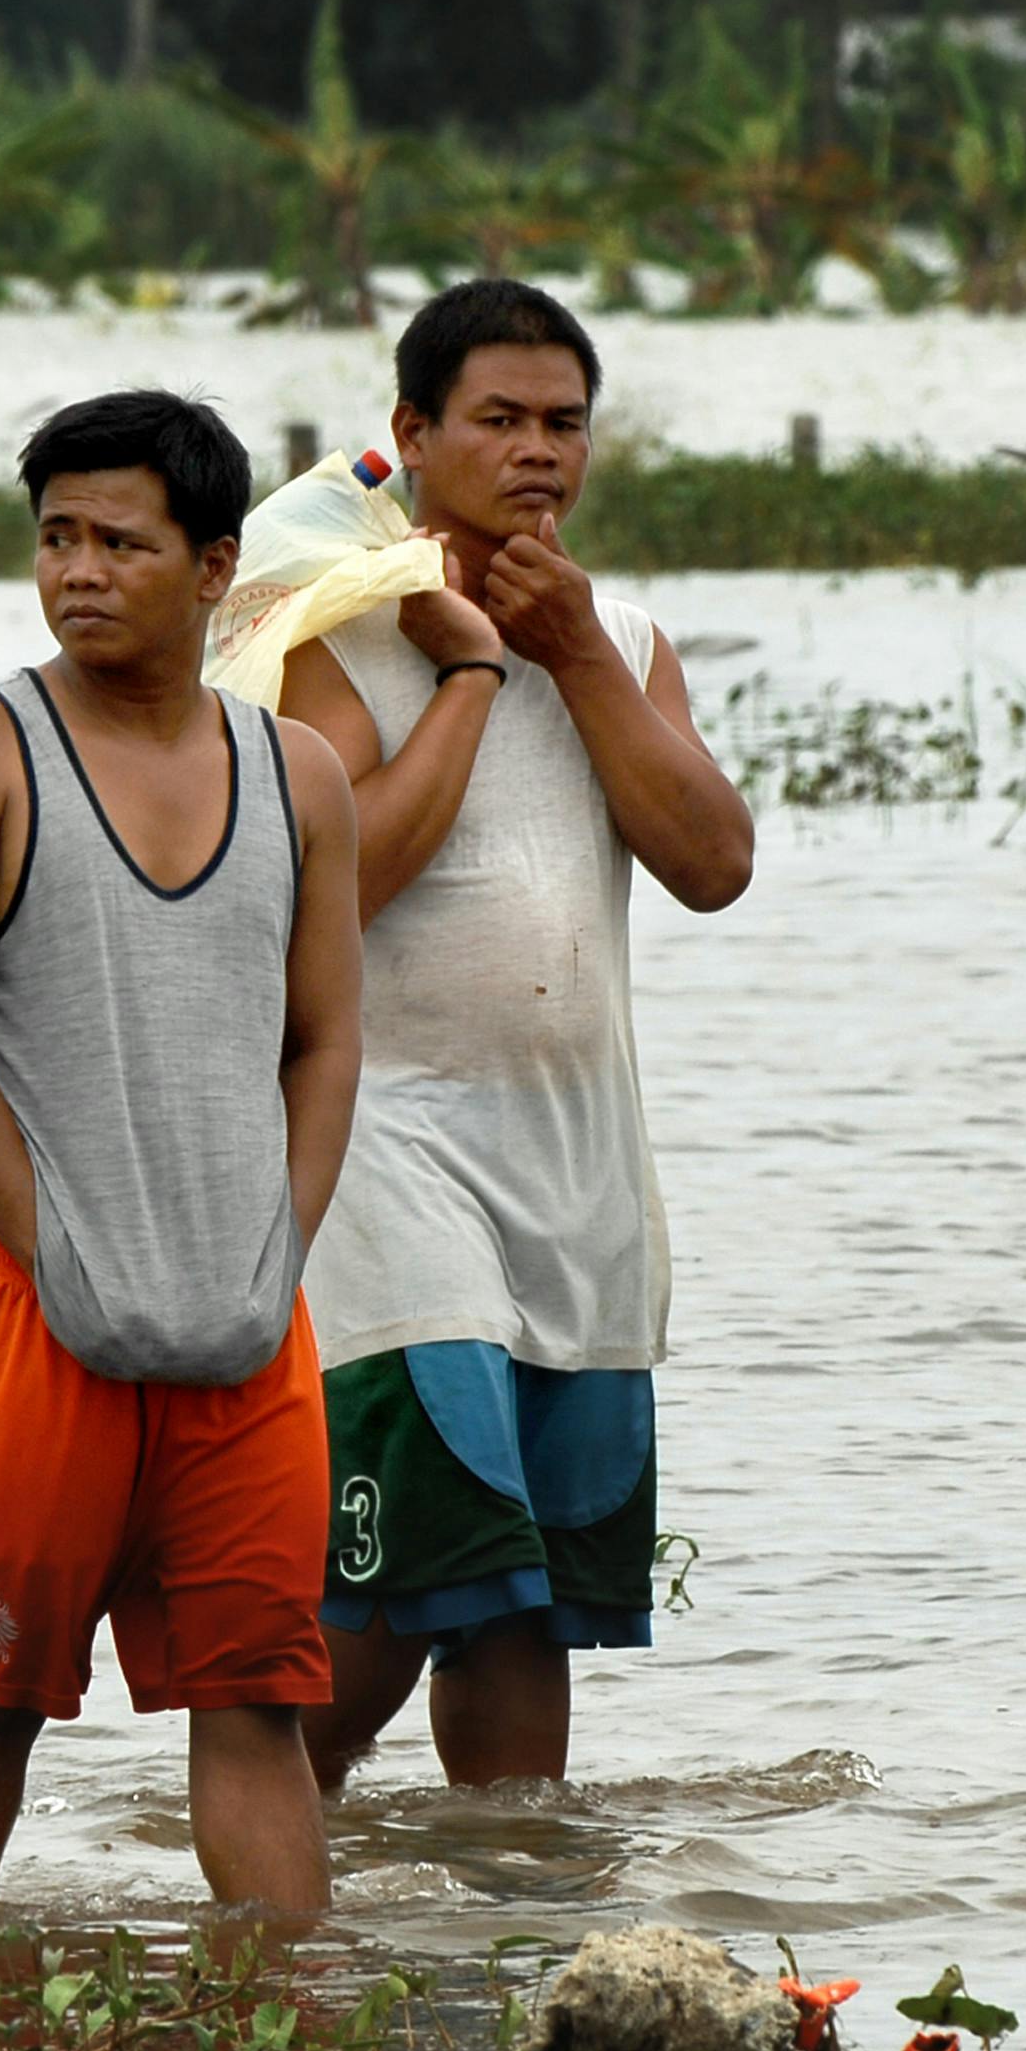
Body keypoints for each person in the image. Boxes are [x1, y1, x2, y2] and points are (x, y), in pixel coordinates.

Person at [0, 389, 362, 1913]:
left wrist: (283, 1239)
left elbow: (327, 1040)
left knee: (261, 1706)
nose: (79, 571)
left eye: (121, 543)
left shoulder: (300, 777)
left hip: (242, 1321)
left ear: (218, 567)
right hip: (31, 1310)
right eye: (57, 538)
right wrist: (52, 1249)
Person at [279, 280, 754, 1792]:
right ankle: (265, 1842)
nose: (537, 452)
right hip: (385, 1159)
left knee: (527, 1599)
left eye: (564, 423)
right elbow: (340, 879)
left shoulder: (621, 634)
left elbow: (713, 866)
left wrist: (580, 661)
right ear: (413, 434)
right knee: (418, 1569)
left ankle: (508, 1916)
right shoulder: (338, 636)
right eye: (499, 420)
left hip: (579, 1173)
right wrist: (477, 665)